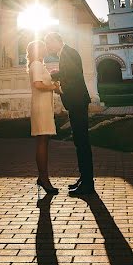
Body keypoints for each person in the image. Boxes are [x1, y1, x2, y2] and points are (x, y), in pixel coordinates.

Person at [45, 32, 94, 195]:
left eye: (49, 43)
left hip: (77, 101)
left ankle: (88, 183)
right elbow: (68, 73)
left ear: (57, 40)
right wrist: (56, 74)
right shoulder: (66, 53)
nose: (48, 47)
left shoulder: (68, 53)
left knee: (82, 142)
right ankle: (84, 178)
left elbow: (73, 77)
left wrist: (57, 84)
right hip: (76, 102)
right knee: (79, 141)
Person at [27, 39, 61, 195]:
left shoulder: (39, 65)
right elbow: (38, 85)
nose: (46, 50)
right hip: (41, 108)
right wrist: (53, 87)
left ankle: (43, 177)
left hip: (44, 107)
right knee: (42, 141)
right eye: (42, 48)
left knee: (44, 141)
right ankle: (44, 178)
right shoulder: (36, 65)